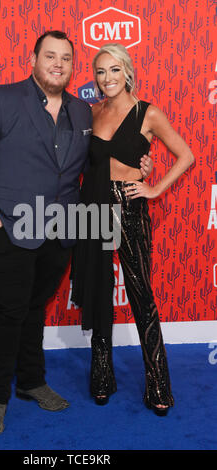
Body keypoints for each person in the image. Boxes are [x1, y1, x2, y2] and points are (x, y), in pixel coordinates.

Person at [0, 31, 153, 435]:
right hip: (9, 228)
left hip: (60, 229)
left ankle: (31, 381)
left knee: (35, 309)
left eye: (66, 58)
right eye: (51, 56)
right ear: (33, 59)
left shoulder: (82, 112)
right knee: (9, 313)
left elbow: (99, 160)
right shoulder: (1, 98)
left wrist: (140, 165)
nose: (58, 64)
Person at [71, 43, 195, 416]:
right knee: (98, 290)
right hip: (92, 206)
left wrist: (154, 185)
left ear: (127, 71)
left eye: (113, 70)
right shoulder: (91, 112)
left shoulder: (147, 113)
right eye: (99, 72)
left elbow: (186, 155)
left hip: (128, 207)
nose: (106, 78)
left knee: (141, 295)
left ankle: (158, 384)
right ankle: (102, 378)